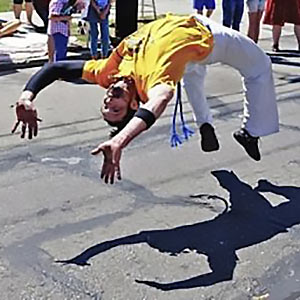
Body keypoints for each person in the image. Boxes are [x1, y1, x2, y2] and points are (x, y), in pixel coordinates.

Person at [11, 14, 279, 184]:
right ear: (134, 105)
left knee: (191, 72)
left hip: (183, 36)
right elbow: (159, 100)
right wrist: (119, 140)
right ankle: (252, 131)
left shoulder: (108, 73)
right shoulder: (154, 83)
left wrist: (27, 96)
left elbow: (55, 68)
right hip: (208, 36)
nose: (108, 101)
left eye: (105, 105)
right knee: (259, 66)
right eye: (115, 110)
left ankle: (205, 124)